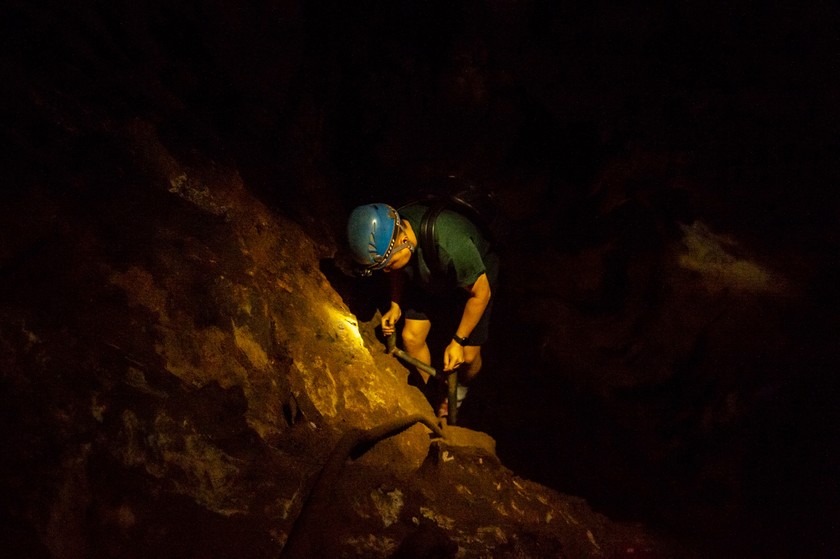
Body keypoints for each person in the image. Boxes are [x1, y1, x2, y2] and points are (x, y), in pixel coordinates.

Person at [347, 202, 499, 416]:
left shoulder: (450, 245)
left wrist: (458, 341)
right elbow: (394, 271)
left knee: (467, 356)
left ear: (403, 240)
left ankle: (460, 390)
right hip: (432, 269)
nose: (387, 271)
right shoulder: (396, 233)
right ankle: (427, 396)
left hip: (474, 276)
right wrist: (395, 304)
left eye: (389, 265)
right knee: (410, 337)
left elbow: (480, 294)